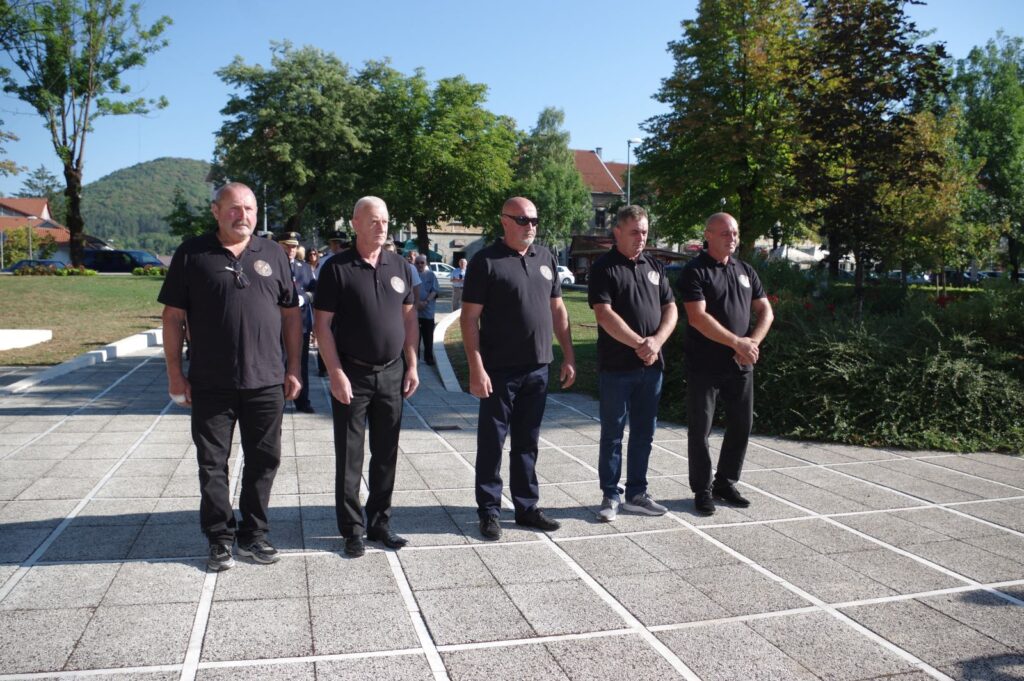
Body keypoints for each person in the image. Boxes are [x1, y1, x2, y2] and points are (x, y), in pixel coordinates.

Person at [159, 182, 302, 571]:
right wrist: (175, 374)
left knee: (264, 460)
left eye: (250, 209)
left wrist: (293, 367)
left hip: (267, 381)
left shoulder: (273, 253)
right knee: (212, 464)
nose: (244, 216)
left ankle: (254, 534)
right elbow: (173, 317)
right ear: (216, 211)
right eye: (235, 208)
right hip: (211, 382)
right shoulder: (192, 254)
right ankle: (220, 538)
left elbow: (291, 315)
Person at [461, 197, 576, 540]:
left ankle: (526, 507)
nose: (531, 226)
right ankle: (489, 510)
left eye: (535, 220)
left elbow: (558, 310)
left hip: (538, 366)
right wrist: (476, 367)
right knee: (492, 442)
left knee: (528, 442)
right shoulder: (485, 261)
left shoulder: (546, 257)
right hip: (499, 369)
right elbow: (469, 319)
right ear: (505, 221)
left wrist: (568, 355)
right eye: (524, 220)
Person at [313, 196, 420, 558]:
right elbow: (322, 326)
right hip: (352, 373)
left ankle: (379, 523)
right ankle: (351, 529)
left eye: (385, 221)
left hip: (392, 372)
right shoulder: (336, 268)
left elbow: (409, 319)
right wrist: (335, 373)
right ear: (355, 223)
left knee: (386, 453)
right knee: (350, 455)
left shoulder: (400, 266)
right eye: (373, 220)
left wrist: (412, 364)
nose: (381, 227)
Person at [679, 212, 774, 516]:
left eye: (734, 232)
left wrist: (751, 344)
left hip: (740, 364)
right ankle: (702, 490)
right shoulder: (695, 271)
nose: (732, 238)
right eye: (724, 233)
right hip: (704, 365)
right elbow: (697, 317)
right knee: (701, 430)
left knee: (742, 424)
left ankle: (725, 482)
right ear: (708, 235)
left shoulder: (745, 270)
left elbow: (766, 311)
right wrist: (737, 343)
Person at [588, 205, 678, 522]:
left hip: (651, 366)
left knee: (644, 433)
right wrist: (641, 344)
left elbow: (671, 308)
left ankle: (637, 494)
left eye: (645, 232)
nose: (641, 238)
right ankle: (610, 495)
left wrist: (657, 342)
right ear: (617, 232)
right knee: (612, 434)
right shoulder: (604, 267)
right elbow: (604, 314)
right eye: (635, 232)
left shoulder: (655, 266)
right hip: (616, 367)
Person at [275, 231, 316, 413]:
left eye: (294, 246)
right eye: (287, 246)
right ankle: (279, 399)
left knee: (301, 362)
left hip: (301, 323)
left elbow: (315, 291)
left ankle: (302, 400)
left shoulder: (304, 268)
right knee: (279, 362)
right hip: (277, 323)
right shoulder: (273, 265)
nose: (291, 250)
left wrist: (304, 298)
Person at [414, 255, 439, 365]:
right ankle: (415, 358)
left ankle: (428, 358)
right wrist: (417, 303)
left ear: (426, 263)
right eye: (417, 263)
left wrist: (426, 302)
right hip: (414, 311)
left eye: (422, 262)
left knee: (428, 336)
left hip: (428, 311)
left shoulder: (431, 275)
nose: (420, 265)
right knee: (415, 337)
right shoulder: (411, 274)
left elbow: (435, 290)